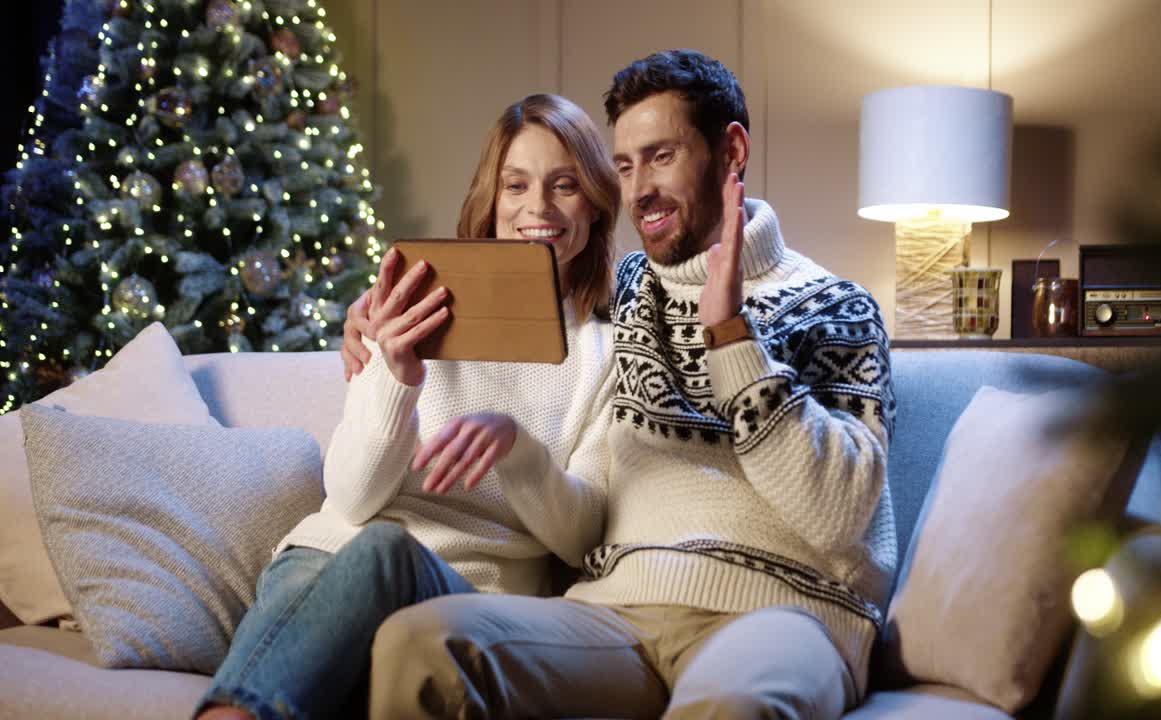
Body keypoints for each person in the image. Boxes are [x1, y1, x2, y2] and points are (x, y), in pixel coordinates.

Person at [367, 50, 897, 719]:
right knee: (421, 645)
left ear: (732, 152)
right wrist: (371, 319)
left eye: (662, 157)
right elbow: (489, 291)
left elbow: (841, 514)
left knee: (730, 706)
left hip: (781, 613)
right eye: (624, 166)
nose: (638, 189)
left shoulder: (836, 307)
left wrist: (732, 337)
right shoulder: (621, 296)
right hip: (618, 611)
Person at [193, 93, 620, 720]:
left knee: (387, 550)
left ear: (596, 202)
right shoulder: (409, 304)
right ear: (491, 199)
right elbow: (350, 500)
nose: (538, 207)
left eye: (565, 185)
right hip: (326, 561)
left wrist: (516, 447)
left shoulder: (604, 351)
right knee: (372, 547)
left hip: (462, 594)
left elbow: (582, 538)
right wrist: (396, 378)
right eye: (516, 185)